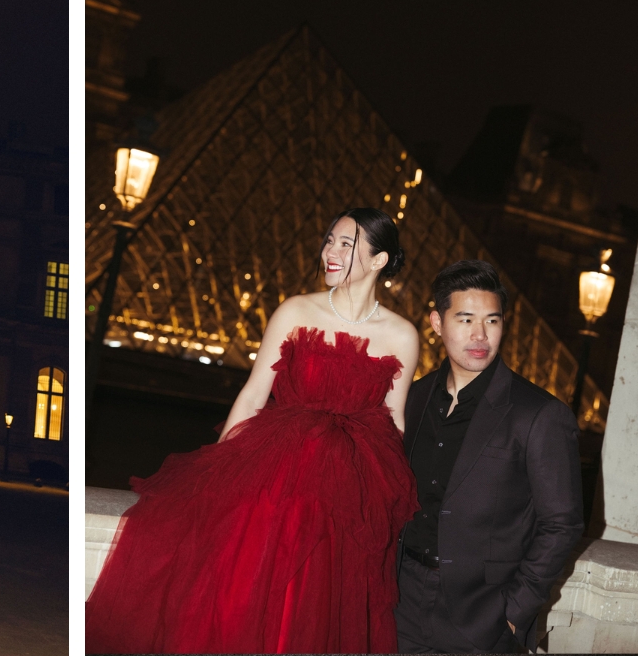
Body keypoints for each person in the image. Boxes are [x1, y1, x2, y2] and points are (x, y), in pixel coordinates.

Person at [86, 208, 421, 654]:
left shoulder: (402, 334)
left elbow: (392, 420)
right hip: (277, 474)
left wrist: (386, 500)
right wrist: (217, 471)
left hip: (344, 496)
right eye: (329, 240)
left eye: (347, 243)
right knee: (247, 601)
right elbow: (252, 395)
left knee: (313, 612)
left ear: (379, 260)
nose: (331, 252)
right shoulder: (295, 310)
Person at [395, 260, 583, 653]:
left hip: (482, 620)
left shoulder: (539, 414)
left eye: (492, 321)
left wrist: (514, 613)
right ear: (436, 322)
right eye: (465, 319)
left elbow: (561, 523)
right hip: (401, 604)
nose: (480, 335)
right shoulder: (414, 398)